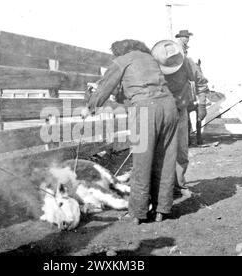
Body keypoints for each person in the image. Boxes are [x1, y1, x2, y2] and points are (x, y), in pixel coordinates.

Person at [83, 39, 179, 224]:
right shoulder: (149, 59)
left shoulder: (122, 60)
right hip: (169, 106)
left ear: (119, 51)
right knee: (165, 159)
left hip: (145, 110)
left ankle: (138, 212)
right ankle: (163, 209)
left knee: (142, 161)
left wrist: (91, 104)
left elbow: (105, 88)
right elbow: (133, 89)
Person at [152, 40, 209, 192]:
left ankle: (179, 183)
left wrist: (202, 105)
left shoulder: (187, 63)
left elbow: (201, 83)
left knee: (181, 149)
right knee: (158, 150)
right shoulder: (152, 64)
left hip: (179, 110)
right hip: (159, 111)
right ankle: (160, 187)